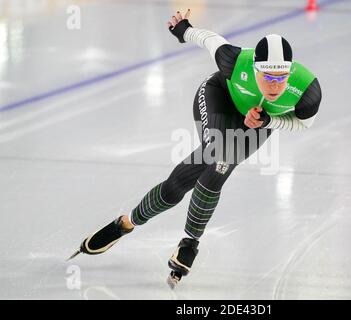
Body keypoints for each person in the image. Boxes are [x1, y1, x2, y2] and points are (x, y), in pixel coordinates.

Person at [68, 9, 322, 288]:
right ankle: (148, 232)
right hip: (219, 98)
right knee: (219, 155)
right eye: (267, 76)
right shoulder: (236, 61)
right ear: (255, 68)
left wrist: (269, 119)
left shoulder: (307, 89)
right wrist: (183, 29)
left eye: (281, 77)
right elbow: (210, 39)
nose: (274, 85)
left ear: (290, 70)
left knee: (181, 183)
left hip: (259, 123)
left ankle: (137, 226)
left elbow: (303, 124)